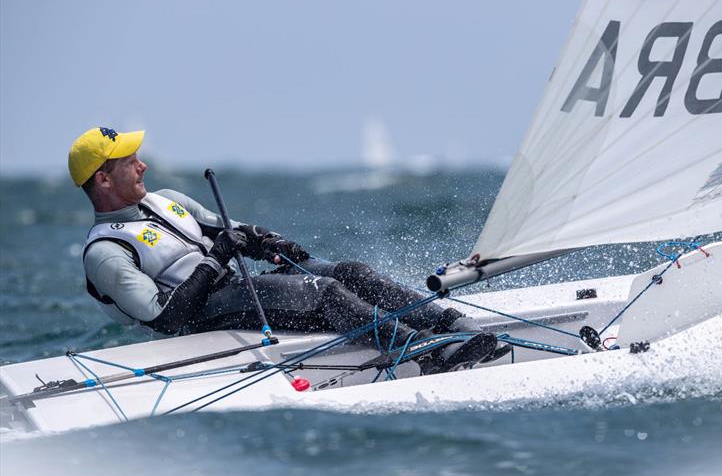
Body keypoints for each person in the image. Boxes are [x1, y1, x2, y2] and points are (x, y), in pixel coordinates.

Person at [70, 127, 505, 374]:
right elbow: (167, 318)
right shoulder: (105, 252)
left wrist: (270, 241)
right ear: (104, 181)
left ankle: (453, 324)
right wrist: (216, 256)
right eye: (129, 161)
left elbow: (232, 231)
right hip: (205, 315)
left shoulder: (165, 199)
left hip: (239, 288)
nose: (141, 164)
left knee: (349, 271)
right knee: (325, 292)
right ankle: (428, 353)